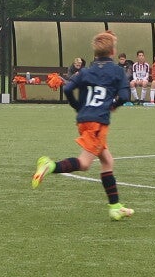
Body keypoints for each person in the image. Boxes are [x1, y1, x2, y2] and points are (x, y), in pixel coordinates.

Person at [32, 31, 135, 221]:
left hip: (83, 120)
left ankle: (115, 207)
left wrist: (77, 106)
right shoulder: (117, 71)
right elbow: (125, 96)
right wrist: (113, 105)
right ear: (113, 51)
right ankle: (50, 165)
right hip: (98, 123)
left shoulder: (86, 71)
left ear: (95, 53)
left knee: (107, 161)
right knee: (85, 163)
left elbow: (67, 88)